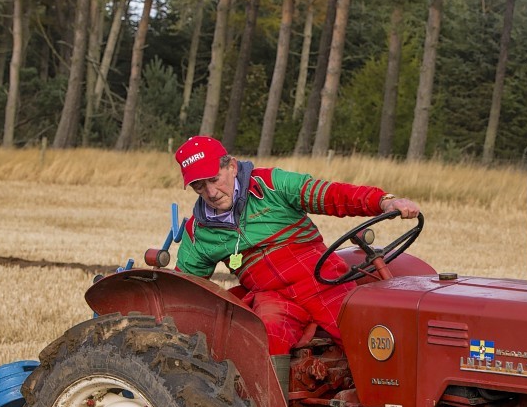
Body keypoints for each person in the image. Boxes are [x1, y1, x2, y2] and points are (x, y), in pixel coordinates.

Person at [172, 135, 422, 355]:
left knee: (367, 339)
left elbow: (332, 195)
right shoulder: (199, 231)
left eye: (215, 179)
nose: (211, 192)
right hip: (271, 295)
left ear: (232, 167)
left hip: (321, 281)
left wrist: (384, 201)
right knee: (263, 342)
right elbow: (184, 286)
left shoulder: (272, 184)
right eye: (199, 186)